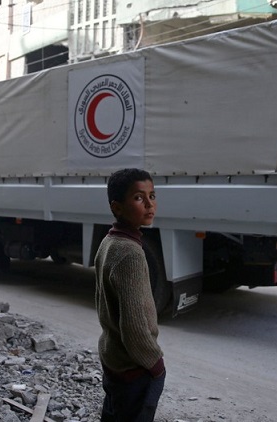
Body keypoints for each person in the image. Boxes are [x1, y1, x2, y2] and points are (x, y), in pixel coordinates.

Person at [94, 168, 166, 421]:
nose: (149, 204)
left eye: (152, 196)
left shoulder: (109, 242)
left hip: (113, 358)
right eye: (138, 197)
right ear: (117, 207)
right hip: (133, 367)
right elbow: (134, 327)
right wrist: (155, 364)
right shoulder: (130, 254)